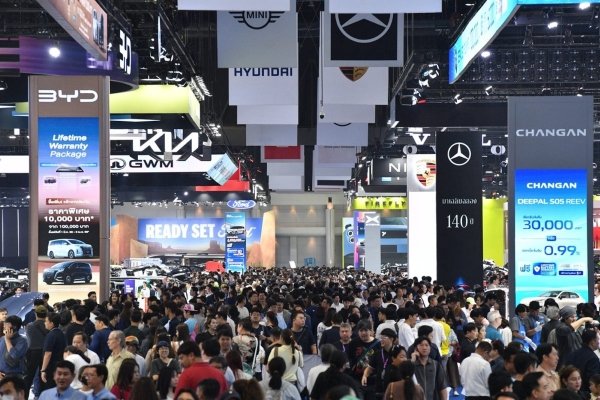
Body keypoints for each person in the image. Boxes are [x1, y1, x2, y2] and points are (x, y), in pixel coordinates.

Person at [563, 329, 600, 394]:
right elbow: (593, 380)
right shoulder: (593, 358)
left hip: (569, 391)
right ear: (592, 341)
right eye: (598, 339)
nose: (599, 342)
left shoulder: (573, 353)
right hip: (585, 393)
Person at [25, 305, 48, 399]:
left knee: (29, 377)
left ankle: (25, 396)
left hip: (33, 352)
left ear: (35, 313)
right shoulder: (48, 326)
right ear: (46, 314)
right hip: (45, 352)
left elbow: (28, 341)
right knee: (43, 374)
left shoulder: (29, 326)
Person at [41, 312, 67, 390]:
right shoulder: (61, 333)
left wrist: (43, 370)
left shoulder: (51, 335)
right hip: (60, 365)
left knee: (51, 389)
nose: (45, 323)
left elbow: (48, 354)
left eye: (46, 321)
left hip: (51, 367)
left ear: (51, 323)